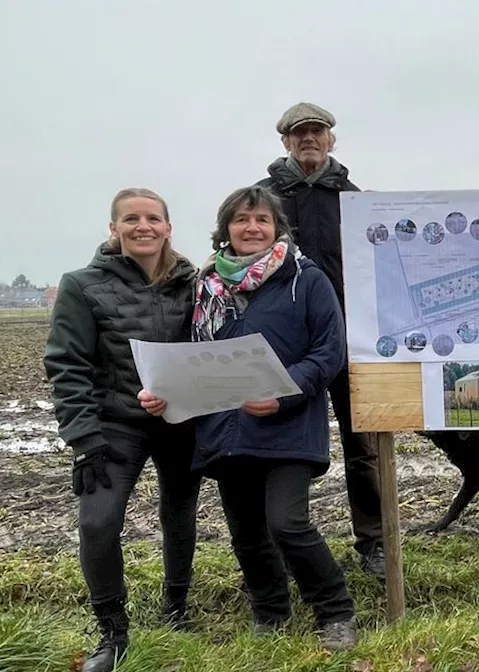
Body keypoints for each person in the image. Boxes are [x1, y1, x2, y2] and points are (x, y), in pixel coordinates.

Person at [140, 185, 359, 650]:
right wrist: (162, 392)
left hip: (288, 424)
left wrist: (282, 395)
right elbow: (187, 356)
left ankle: (335, 612)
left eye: (262, 219)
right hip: (224, 428)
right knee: (246, 534)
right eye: (242, 220)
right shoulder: (205, 285)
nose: (252, 228)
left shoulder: (305, 278)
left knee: (287, 523)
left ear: (277, 228)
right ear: (226, 229)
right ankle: (270, 613)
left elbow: (329, 352)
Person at [43, 188, 200, 672]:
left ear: (169, 227)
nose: (143, 227)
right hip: (115, 425)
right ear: (113, 229)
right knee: (97, 522)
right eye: (130, 219)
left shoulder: (193, 283)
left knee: (179, 513)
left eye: (153, 218)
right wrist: (84, 438)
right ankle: (112, 631)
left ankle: (176, 605)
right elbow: (67, 365)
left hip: (180, 420)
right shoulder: (82, 285)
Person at [256, 101, 385, 575]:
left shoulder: (355, 200)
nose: (308, 139)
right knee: (284, 446)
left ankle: (372, 542)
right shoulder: (261, 200)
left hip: (353, 342)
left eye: (317, 131)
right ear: (285, 141)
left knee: (364, 447)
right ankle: (286, 545)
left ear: (332, 139)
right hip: (286, 346)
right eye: (299, 133)